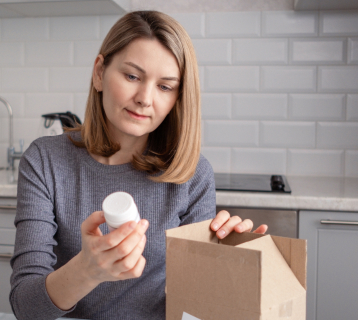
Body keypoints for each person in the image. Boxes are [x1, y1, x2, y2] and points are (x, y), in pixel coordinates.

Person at [10, 10, 268, 320]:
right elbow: (25, 306)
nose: (145, 98)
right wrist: (87, 270)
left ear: (178, 98)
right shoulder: (45, 161)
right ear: (99, 73)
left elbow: (198, 305)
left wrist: (227, 264)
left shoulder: (193, 174)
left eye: (164, 87)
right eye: (132, 76)